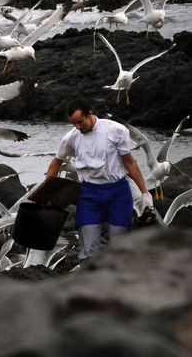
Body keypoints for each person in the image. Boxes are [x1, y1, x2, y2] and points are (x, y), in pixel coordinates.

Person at [45, 97, 152, 263]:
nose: (78, 127)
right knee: (88, 251)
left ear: (90, 114)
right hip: (89, 193)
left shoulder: (116, 130)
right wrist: (47, 192)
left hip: (118, 192)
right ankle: (89, 282)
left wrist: (144, 193)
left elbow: (129, 162)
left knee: (119, 247)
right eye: (74, 124)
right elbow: (56, 162)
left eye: (80, 122)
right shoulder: (71, 137)